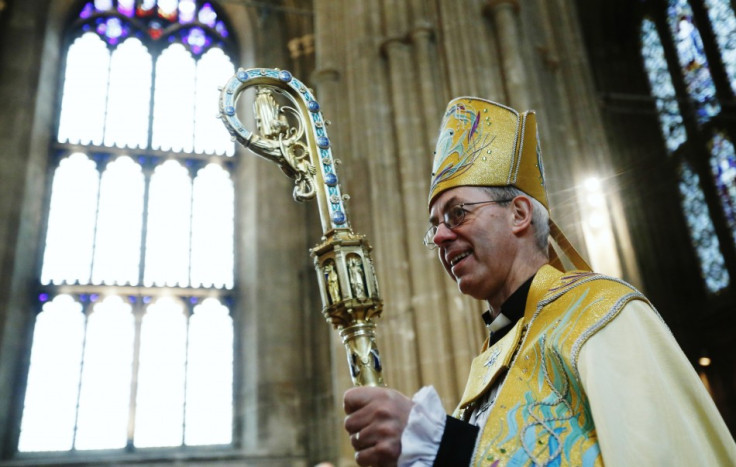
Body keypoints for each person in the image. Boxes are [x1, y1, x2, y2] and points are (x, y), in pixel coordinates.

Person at [343, 97, 736, 466]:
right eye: (435, 228)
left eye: (458, 213)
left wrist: (446, 445)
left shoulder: (600, 315)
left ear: (518, 214)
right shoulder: (488, 365)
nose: (442, 236)